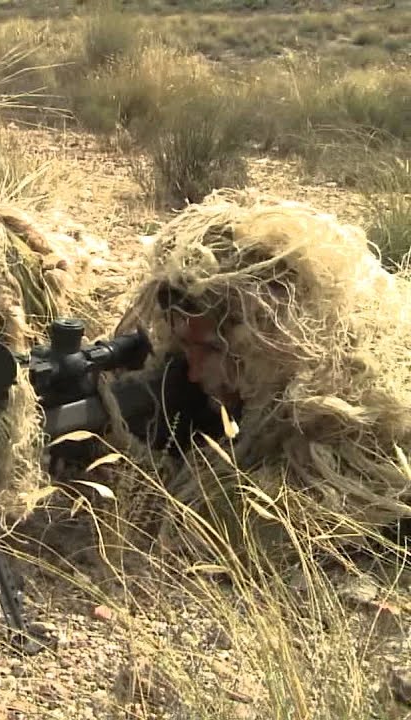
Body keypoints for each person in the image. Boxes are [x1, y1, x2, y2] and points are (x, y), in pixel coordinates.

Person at [107, 187, 411, 560]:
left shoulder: (335, 416)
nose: (193, 372)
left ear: (266, 343)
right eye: (185, 350)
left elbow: (243, 531)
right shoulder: (211, 381)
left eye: (210, 350)